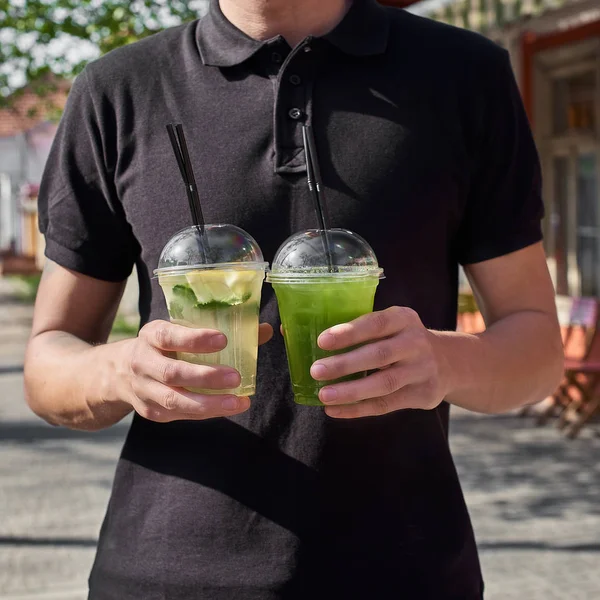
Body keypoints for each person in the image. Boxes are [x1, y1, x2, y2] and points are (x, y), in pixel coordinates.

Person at [25, 0, 563, 598]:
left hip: (405, 573)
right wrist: (121, 371)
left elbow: (536, 345)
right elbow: (48, 364)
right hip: (162, 575)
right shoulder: (118, 89)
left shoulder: (464, 73)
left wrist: (443, 362)